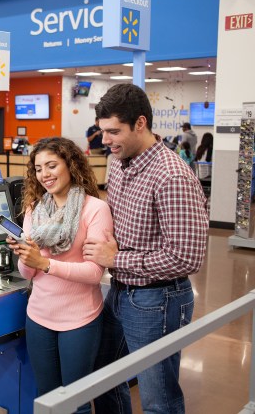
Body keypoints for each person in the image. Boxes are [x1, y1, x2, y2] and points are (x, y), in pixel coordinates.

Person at [83, 84, 209, 414]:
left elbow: (186, 257)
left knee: (158, 400)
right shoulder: (118, 162)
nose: (105, 140)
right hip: (120, 290)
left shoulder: (172, 175)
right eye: (102, 131)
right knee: (103, 377)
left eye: (113, 131)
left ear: (140, 123)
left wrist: (116, 258)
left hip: (159, 299)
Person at [6, 137, 113, 414]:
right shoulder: (35, 209)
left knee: (76, 404)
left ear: (70, 164)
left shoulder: (95, 209)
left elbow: (94, 273)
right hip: (39, 316)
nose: (45, 174)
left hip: (80, 320)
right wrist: (25, 255)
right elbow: (28, 273)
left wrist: (45, 263)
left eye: (52, 165)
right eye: (39, 169)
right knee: (47, 398)